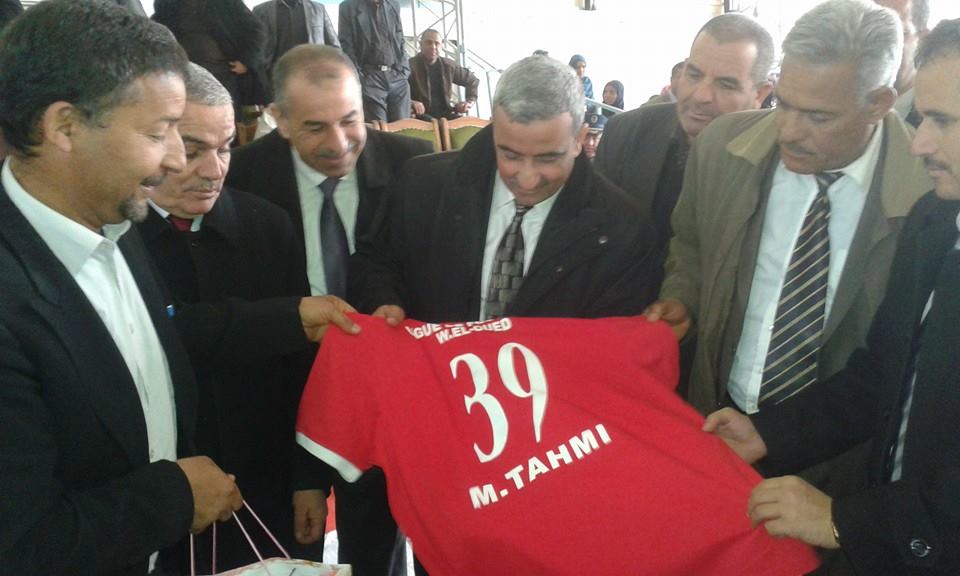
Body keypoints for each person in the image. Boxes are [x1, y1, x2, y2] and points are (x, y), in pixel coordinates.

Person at [703, 20, 960, 575]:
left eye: (943, 121)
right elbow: (881, 374)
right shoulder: (935, 221)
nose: (919, 143)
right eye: (922, 119)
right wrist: (769, 433)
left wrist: (848, 521)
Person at [0, 2, 245, 573]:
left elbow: (140, 350)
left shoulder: (113, 213)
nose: (176, 160)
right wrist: (176, 497)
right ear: (64, 127)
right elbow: (22, 545)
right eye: (159, 133)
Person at [225, 44, 432, 576]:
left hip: (385, 405)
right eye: (315, 127)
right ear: (279, 119)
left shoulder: (415, 169)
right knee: (293, 554)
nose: (339, 144)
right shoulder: (241, 179)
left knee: (380, 553)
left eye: (350, 120)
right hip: (283, 400)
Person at [138, 63, 352, 570]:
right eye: (192, 149)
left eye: (226, 148)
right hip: (158, 497)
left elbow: (302, 371)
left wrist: (308, 480)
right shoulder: (112, 237)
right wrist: (284, 319)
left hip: (267, 488)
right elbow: (159, 338)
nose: (213, 170)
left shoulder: (267, 225)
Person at [351, 54, 659, 331]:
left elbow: (613, 345)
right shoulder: (421, 186)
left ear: (580, 138)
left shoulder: (623, 231)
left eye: (548, 158)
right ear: (493, 128)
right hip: (433, 373)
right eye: (510, 155)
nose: (527, 180)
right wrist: (384, 300)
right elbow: (377, 262)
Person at [595, 13, 774, 261]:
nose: (701, 96)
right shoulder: (624, 134)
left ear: (760, 94)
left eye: (725, 84)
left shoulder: (776, 168)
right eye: (694, 74)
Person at [153, 0, 270, 116]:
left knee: (226, 118)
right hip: (184, 76)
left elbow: (256, 31)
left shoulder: (226, 3)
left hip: (225, 75)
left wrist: (247, 61)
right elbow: (157, 33)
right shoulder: (167, 4)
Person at [339, 0, 411, 122]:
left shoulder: (393, 4)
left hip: (397, 76)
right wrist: (360, 78)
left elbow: (400, 39)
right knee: (378, 129)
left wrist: (404, 71)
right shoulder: (348, 7)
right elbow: (346, 46)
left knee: (403, 128)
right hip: (370, 78)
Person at [254, 0, 340, 88]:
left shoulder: (318, 9)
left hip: (312, 74)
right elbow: (254, 46)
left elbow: (334, 46)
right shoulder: (261, 10)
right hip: (274, 77)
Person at [876, 0, 931, 127]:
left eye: (894, 32)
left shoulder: (942, 111)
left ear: (922, 40)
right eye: (869, 32)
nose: (878, 44)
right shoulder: (841, 102)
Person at [408, 28, 480, 121]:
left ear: (441, 46)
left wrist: (469, 102)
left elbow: (472, 80)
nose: (433, 46)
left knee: (467, 124)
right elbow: (395, 91)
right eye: (429, 42)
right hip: (419, 116)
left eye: (437, 43)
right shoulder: (409, 66)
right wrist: (411, 102)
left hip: (446, 114)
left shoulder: (448, 66)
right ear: (421, 44)